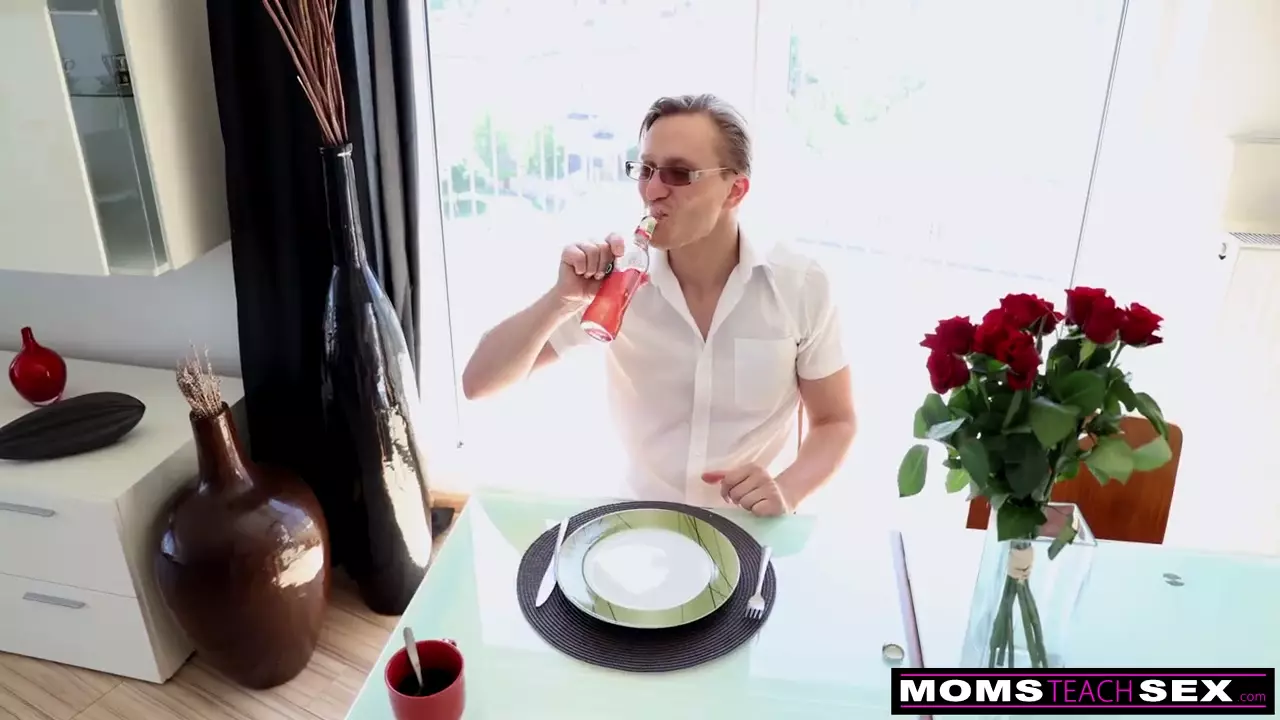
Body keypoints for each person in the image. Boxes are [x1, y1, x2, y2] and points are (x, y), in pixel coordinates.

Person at [461, 93, 856, 516]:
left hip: (750, 525)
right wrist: (561, 300)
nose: (652, 191)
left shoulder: (798, 285)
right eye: (646, 169)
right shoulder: (616, 282)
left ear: (735, 190)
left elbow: (835, 422)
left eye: (679, 174)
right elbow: (478, 384)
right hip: (639, 523)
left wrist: (786, 490)